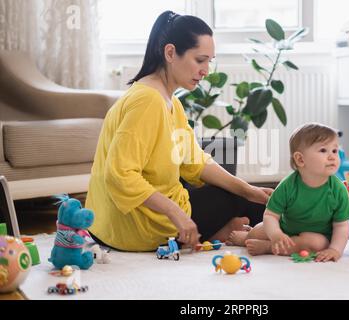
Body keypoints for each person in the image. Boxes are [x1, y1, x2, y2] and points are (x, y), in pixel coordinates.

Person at [85, 11, 272, 252]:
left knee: (250, 196)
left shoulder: (169, 100)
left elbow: (194, 162)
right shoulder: (148, 101)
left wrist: (249, 189)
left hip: (114, 226)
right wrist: (177, 214)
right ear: (170, 53)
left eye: (209, 62)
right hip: (134, 226)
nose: (206, 70)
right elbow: (120, 174)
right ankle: (312, 223)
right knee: (246, 202)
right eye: (200, 60)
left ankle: (228, 228)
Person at [227, 123, 349, 262]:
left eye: (335, 151)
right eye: (323, 150)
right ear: (300, 159)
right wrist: (276, 234)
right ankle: (246, 236)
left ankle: (268, 247)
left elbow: (342, 225)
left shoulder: (338, 190)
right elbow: (270, 216)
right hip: (285, 229)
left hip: (318, 235)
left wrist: (335, 249)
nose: (332, 157)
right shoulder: (288, 185)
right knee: (259, 231)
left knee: (317, 244)